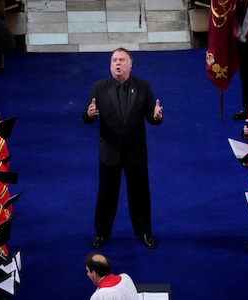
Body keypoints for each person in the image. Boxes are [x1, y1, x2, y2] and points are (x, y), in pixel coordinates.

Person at [82, 47, 163, 249]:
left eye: (121, 60)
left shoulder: (143, 87)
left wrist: (157, 116)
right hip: (110, 152)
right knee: (106, 195)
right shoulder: (99, 87)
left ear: (130, 64)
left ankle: (144, 232)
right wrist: (90, 114)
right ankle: (101, 233)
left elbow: (152, 118)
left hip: (135, 152)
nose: (117, 64)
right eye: (113, 60)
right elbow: (86, 116)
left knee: (140, 194)